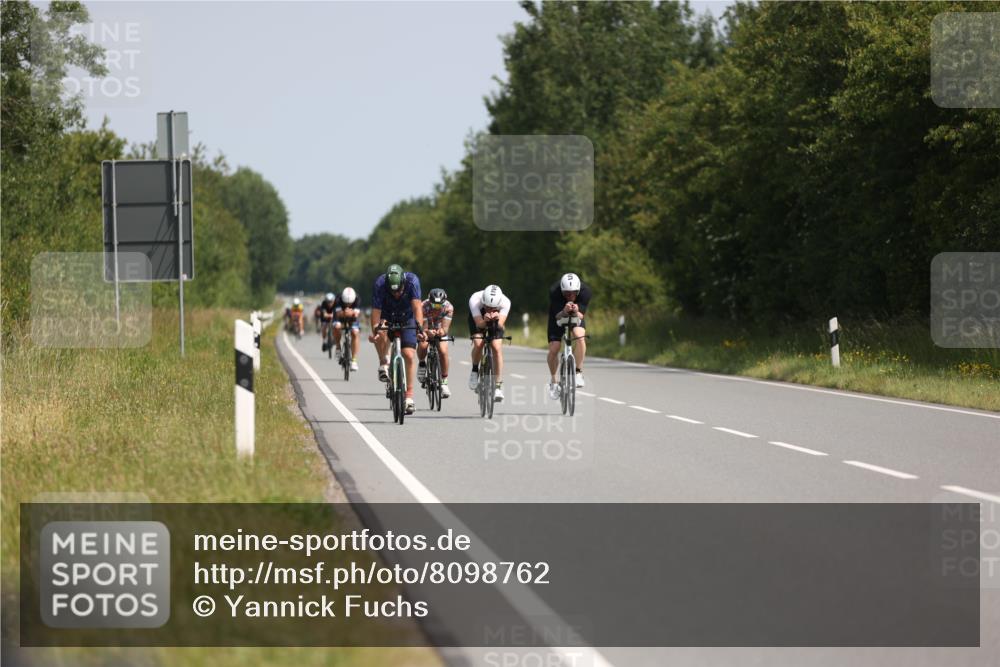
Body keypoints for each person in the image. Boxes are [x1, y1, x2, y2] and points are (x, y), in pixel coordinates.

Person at [369, 264, 424, 415]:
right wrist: (375, 330)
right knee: (381, 331)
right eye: (393, 291)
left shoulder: (412, 281)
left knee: (408, 354)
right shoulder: (380, 284)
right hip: (387, 314)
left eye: (399, 291)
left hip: (408, 316)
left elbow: (417, 308)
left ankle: (409, 397)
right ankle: (384, 362)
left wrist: (420, 329)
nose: (396, 294)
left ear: (403, 283)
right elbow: (375, 312)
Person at [547, 272, 590, 399]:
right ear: (561, 290)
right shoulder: (554, 292)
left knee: (579, 336)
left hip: (576, 315)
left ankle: (578, 372)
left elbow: (581, 316)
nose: (569, 296)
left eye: (572, 293)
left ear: (578, 291)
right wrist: (564, 310)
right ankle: (554, 382)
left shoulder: (585, 292)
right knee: (554, 348)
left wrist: (576, 311)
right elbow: (558, 317)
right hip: (559, 314)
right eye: (566, 294)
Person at [467, 284, 510, 402]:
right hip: (478, 319)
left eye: (493, 308)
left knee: (496, 347)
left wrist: (496, 318)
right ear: (483, 302)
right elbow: (479, 324)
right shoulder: (475, 300)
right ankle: (475, 369)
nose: (490, 310)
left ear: (499, 304)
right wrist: (485, 319)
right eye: (487, 307)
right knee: (478, 343)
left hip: (496, 320)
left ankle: (498, 386)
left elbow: (500, 325)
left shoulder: (505, 302)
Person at [417, 288, 454, 398]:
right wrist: (427, 332)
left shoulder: (448, 307)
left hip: (439, 328)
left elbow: (445, 328)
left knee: (443, 351)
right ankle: (422, 364)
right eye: (434, 305)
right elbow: (423, 328)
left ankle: (444, 381)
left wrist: (440, 332)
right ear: (429, 302)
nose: (436, 308)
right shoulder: (422, 306)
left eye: (439, 306)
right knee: (423, 345)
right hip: (426, 328)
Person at [333, 286, 361, 370]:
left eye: (350, 304)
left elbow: (356, 314)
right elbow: (338, 314)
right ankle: (338, 347)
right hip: (339, 317)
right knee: (337, 327)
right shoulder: (338, 299)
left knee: (355, 333)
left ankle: (354, 360)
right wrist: (346, 312)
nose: (348, 305)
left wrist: (348, 313)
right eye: (346, 303)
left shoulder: (357, 299)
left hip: (352, 318)